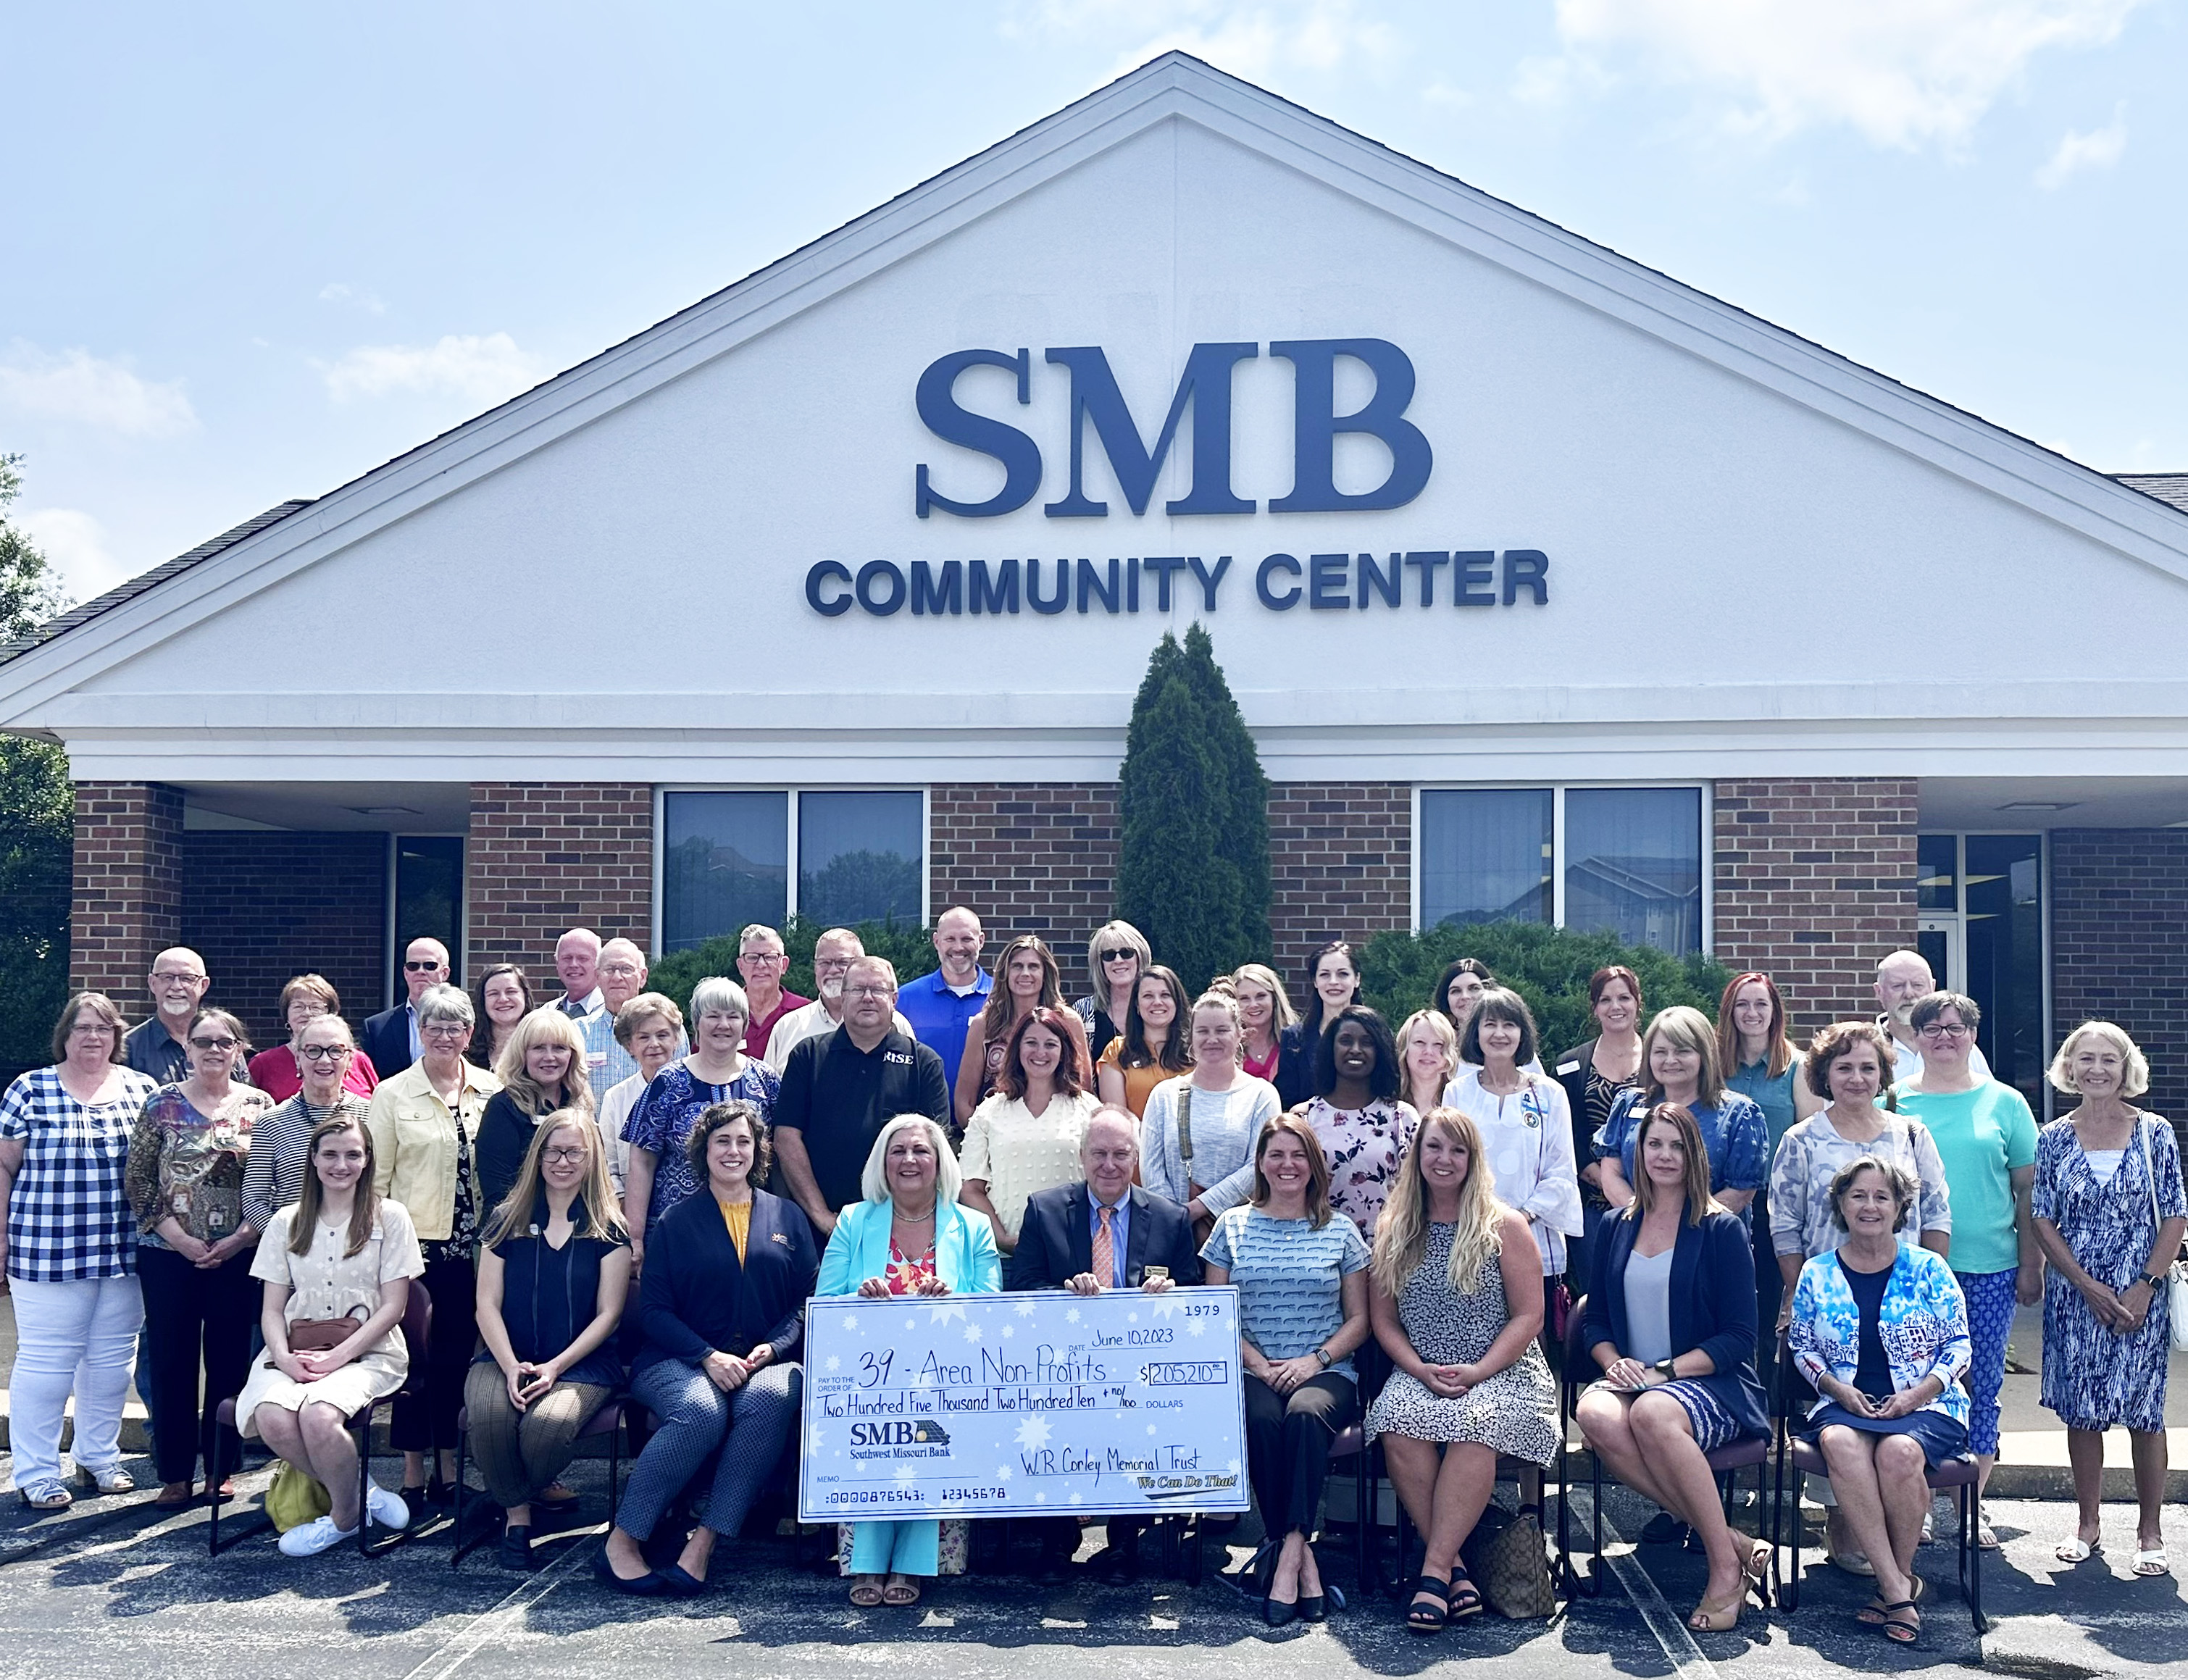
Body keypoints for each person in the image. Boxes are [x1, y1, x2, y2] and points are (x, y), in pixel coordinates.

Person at [598, 1100, 817, 1595]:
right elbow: (653, 1311)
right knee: (701, 1409)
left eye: (744, 1140)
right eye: (722, 1141)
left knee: (773, 1396)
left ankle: (704, 1542)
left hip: (769, 1360)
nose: (734, 1150)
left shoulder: (788, 1216)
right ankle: (623, 1539)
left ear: (758, 1149)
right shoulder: (676, 1220)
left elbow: (809, 1302)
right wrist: (706, 1356)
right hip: (677, 1358)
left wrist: (775, 1346)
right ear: (704, 1149)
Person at [1576, 1103, 1771, 1633]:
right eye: (1653, 1143)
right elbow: (1595, 1321)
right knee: (1593, 1412)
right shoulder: (1617, 1224)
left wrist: (1664, 1372)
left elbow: (1739, 1335)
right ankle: (1729, 1541)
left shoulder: (1719, 1227)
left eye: (1676, 1145)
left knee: (1653, 1414)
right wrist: (1614, 1364)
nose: (1664, 1155)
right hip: (1635, 1376)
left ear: (1694, 1154)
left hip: (1709, 1381)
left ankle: (1724, 1567)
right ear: (1638, 1151)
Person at [1366, 1108, 1558, 1632]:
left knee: (1475, 1424)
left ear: (1473, 1159)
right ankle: (1455, 1569)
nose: (1444, 1159)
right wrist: (1418, 1369)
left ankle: (1434, 1569)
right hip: (1422, 1368)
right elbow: (1383, 1321)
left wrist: (1477, 1370)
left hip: (1503, 1369)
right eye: (1434, 1147)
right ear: (1418, 1155)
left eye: (1457, 1150)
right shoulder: (1394, 1226)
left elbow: (1530, 1316)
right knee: (1395, 1421)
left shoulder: (1505, 1224)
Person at [815, 1113, 1001, 1607]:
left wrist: (954, 1296)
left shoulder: (974, 1225)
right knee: (876, 1437)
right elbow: (824, 1301)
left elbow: (992, 1308)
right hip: (867, 1380)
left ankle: (915, 1563)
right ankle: (868, 1561)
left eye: (921, 1150)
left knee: (932, 1431)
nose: (909, 1160)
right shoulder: (854, 1221)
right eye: (898, 1151)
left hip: (950, 1381)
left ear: (940, 1161)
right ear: (882, 1161)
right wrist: (859, 1296)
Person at [1010, 1106, 1203, 1580]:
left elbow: (1197, 1296)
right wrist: (1064, 1294)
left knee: (1141, 1415)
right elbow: (1021, 1289)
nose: (1110, 1164)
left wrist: (1172, 1294)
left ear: (1136, 1157)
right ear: (1081, 1156)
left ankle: (1123, 1543)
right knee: (1049, 1415)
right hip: (1060, 1367)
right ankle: (1058, 1542)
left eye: (1121, 1153)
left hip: (1141, 1369)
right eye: (1099, 1153)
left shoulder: (1170, 1218)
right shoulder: (1045, 1209)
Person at [1786, 1159, 1972, 1645]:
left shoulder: (1929, 1267)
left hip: (1928, 1403)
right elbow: (1801, 1346)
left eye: (1881, 1196)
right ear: (1841, 1206)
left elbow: (1959, 1344)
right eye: (1858, 1196)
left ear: (1899, 1207)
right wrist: (1835, 1386)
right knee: (1838, 1442)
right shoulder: (1816, 1272)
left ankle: (1897, 1579)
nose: (1870, 1206)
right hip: (1844, 1399)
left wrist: (1917, 1393)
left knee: (1899, 1452)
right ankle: (1898, 1588)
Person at [1200, 1114, 1371, 1628]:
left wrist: (1311, 1361)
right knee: (1263, 1419)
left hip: (1326, 1371)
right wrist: (1257, 1362)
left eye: (1298, 1155)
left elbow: (1361, 1318)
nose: (1287, 1164)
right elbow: (1215, 1311)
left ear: (1314, 1165)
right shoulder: (1230, 1226)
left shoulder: (1340, 1230)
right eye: (1276, 1154)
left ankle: (1287, 1554)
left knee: (1301, 1414)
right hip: (1251, 1370)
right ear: (1261, 1163)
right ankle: (1303, 1561)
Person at [2032, 1021, 2187, 1577]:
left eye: (2109, 1060)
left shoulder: (2155, 1132)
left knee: (2145, 1413)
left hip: (2139, 1293)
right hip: (2078, 1297)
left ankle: (2150, 1529)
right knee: (2084, 1412)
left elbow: (2176, 1213)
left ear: (2127, 1069)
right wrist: (2084, 1284)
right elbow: (2042, 1216)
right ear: (2069, 1067)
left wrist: (2144, 1284)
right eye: (2086, 1058)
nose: (2097, 1069)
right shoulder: (2052, 1137)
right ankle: (2088, 1524)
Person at [233, 1114, 422, 1556]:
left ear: (367, 1159)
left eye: (353, 1154)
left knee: (319, 1415)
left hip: (369, 1352)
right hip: (294, 1350)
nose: (342, 1165)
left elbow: (394, 1306)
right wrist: (281, 1357)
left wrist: (338, 1358)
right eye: (331, 1154)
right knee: (273, 1417)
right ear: (313, 1159)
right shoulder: (287, 1221)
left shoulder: (390, 1217)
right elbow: (273, 1308)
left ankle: (343, 1519)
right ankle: (363, 1494)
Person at [0, 994, 159, 1510]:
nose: (93, 1037)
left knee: (113, 1362)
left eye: (104, 1029)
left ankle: (99, 1457)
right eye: (82, 1027)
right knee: (48, 1363)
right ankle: (38, 1472)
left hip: (124, 1252)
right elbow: (4, 1167)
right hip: (48, 1252)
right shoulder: (31, 1089)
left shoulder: (143, 1089)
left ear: (118, 1037)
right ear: (64, 1034)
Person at [1892, 990, 2039, 1542]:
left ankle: (1971, 1501)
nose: (1945, 1036)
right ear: (1917, 1036)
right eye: (1933, 1027)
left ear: (1973, 1036)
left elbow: (2027, 1190)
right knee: (1918, 1377)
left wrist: (2032, 1263)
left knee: (1981, 1381)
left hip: (1988, 1266)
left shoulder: (2005, 1103)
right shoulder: (1895, 1099)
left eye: (1957, 1027)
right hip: (1913, 1268)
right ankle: (1920, 1498)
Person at [468, 1113, 632, 1571]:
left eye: (574, 1152)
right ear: (537, 1155)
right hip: (504, 1356)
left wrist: (556, 1366)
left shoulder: (608, 1227)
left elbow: (610, 1314)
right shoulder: (506, 1219)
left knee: (546, 1426)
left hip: (581, 1366)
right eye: (553, 1151)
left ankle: (501, 1499)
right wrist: (508, 1364)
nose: (563, 1161)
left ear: (591, 1157)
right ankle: (518, 1516)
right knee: (489, 1416)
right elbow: (486, 1305)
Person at [124, 1007, 274, 1506]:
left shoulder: (260, 1105)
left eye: (223, 1041)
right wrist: (181, 1239)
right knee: (171, 1360)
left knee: (231, 1359)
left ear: (238, 1050)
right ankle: (175, 1472)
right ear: (186, 1048)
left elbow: (272, 1180)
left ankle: (221, 1468)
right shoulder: (159, 1104)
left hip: (238, 1252)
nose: (213, 1049)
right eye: (203, 1041)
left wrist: (239, 1239)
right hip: (168, 1253)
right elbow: (139, 1179)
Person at [364, 982, 501, 1516]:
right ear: (419, 1032)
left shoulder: (491, 1088)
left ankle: (449, 1470)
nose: (444, 1036)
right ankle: (415, 1473)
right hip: (418, 1251)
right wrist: (379, 1252)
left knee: (455, 1362)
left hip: (477, 1250)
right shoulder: (392, 1093)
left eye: (456, 1026)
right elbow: (375, 1182)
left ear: (470, 1033)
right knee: (414, 1363)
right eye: (434, 1026)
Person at [1771, 1021, 1952, 1316]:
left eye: (1868, 1068)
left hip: (1905, 1299)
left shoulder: (1912, 1135)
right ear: (1825, 1076)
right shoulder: (1800, 1140)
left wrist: (1928, 1287)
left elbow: (1936, 1215)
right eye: (1844, 1068)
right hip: (1827, 1302)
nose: (1857, 1078)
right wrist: (1803, 1293)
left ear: (1882, 1074)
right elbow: (1785, 1227)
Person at [774, 957, 951, 1236]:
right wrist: (821, 1215)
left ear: (894, 999)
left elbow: (934, 1149)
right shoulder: (808, 1056)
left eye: (878, 990)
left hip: (900, 1229)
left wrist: (904, 1221)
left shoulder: (923, 1063)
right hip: (819, 1226)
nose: (868, 998)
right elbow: (786, 1137)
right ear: (842, 998)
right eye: (857, 990)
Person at [621, 977, 777, 1255]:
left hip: (750, 1233)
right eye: (713, 1016)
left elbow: (781, 1156)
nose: (723, 1025)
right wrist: (635, 1239)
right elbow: (642, 1161)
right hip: (676, 1234)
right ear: (696, 1023)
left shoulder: (765, 1080)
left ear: (744, 1023)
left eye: (733, 1016)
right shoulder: (667, 1082)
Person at [1718, 972, 1824, 1374]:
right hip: (1721, 1199)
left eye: (1761, 1004)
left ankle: (1765, 1391)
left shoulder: (1796, 1067)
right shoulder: (1714, 1065)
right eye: (1743, 1004)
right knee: (1726, 1298)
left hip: (1773, 1204)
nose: (1752, 1013)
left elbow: (1808, 1138)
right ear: (1730, 1012)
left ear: (1775, 1012)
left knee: (1766, 1300)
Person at [1440, 987, 1583, 1281]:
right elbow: (1449, 1166)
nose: (1499, 1033)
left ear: (1522, 1033)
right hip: (1471, 1239)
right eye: (1490, 1024)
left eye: (1509, 1024)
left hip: (1534, 1238)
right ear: (1475, 1033)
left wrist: (1522, 1217)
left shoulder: (1549, 1093)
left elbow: (1562, 1170)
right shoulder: (1457, 1092)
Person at [1596, 1006, 1767, 1222]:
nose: (1670, 1060)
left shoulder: (1739, 1115)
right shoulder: (1628, 1105)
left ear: (1704, 1055)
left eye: (1682, 1051)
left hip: (1709, 1240)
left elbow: (1741, 1190)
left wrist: (1683, 1225)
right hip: (1640, 1236)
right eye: (1660, 1052)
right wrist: (1645, 1219)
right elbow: (1611, 1174)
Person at [1140, 989, 1282, 1234]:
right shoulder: (1164, 1095)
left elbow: (1257, 1166)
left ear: (1240, 1034)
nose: (1212, 1039)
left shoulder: (1262, 1095)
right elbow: (1151, 1168)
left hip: (1242, 1232)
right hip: (1174, 1233)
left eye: (1222, 1031)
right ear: (1191, 1037)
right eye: (1203, 1031)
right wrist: (1174, 1216)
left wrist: (1198, 1208)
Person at [959, 1007, 1102, 1253]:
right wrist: (1002, 1239)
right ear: (1017, 1049)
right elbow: (971, 1188)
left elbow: (1105, 1179)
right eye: (1031, 1043)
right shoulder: (989, 1111)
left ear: (1064, 1051)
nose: (1040, 1053)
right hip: (1003, 1256)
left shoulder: (1089, 1109)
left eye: (1050, 1044)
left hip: (1074, 1252)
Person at [1552, 966, 1646, 1289]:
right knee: (1599, 1297)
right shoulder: (1570, 1064)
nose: (1615, 1006)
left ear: (1637, 1003)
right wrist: (1601, 1179)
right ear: (1594, 1008)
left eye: (1624, 997)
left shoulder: (1659, 1060)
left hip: (1651, 1201)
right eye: (1605, 1000)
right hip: (1591, 1205)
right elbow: (1564, 1131)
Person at [244, 1014, 375, 1234]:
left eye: (335, 1051)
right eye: (313, 1050)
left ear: (350, 1059)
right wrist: (292, 1241)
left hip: (359, 1247)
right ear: (298, 1058)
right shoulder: (271, 1121)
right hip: (292, 1250)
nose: (324, 1061)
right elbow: (254, 1199)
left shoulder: (374, 1114)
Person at [955, 935, 1092, 1127]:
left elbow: (1084, 1092)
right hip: (996, 1139)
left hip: (1057, 1135)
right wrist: (981, 1140)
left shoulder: (1068, 1022)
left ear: (1046, 973)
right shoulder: (985, 1025)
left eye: (1033, 967)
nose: (1025, 973)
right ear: (1005, 973)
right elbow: (964, 1101)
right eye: (1017, 966)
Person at [477, 1007, 596, 1211]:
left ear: (572, 1054)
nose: (549, 1057)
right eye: (539, 1048)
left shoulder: (581, 1102)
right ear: (522, 1054)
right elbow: (498, 1193)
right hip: (520, 1230)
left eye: (559, 1048)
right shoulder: (503, 1108)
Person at [763, 927, 913, 1071]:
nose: (833, 970)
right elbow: (768, 1093)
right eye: (825, 963)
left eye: (843, 962)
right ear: (815, 968)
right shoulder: (787, 1027)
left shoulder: (895, 1024)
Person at [596, 992, 685, 1196]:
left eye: (662, 1035)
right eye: (643, 1037)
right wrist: (623, 1205)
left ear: (676, 1039)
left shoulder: (695, 1090)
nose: (654, 1044)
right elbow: (608, 1167)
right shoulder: (616, 1098)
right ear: (630, 1046)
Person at [897, 906, 992, 1092]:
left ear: (981, 941)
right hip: (923, 1118)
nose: (958, 947)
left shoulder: (1003, 998)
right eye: (950, 939)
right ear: (937, 941)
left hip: (988, 1118)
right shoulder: (905, 999)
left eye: (967, 939)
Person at [248, 975, 380, 1103]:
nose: (307, 1013)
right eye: (298, 1006)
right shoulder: (263, 1064)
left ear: (331, 1014)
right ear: (286, 1014)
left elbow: (378, 1104)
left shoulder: (358, 1060)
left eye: (316, 1007)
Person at [1874, 950, 1989, 1085]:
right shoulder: (1868, 1049)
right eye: (1898, 986)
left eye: (1918, 985)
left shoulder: (1960, 1048)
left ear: (1932, 988)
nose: (1909, 994)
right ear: (1879, 992)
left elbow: (1988, 1098)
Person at [1095, 964, 1191, 1120]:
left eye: (1165, 995)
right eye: (1148, 996)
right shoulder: (1116, 1052)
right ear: (1137, 1006)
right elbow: (1119, 1122)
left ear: (1177, 1002)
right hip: (1139, 1143)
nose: (1157, 1002)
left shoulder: (1196, 1051)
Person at [1277, 941, 1362, 1110]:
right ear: (1315, 981)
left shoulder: (1376, 1035)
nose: (1333, 982)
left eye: (1343, 974)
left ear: (1357, 979)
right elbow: (1286, 1101)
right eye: (1324, 975)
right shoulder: (1294, 1038)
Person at [124, 946, 223, 1085]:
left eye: (187, 978)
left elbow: (247, 1100)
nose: (176, 986)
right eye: (167, 977)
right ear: (153, 983)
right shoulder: (128, 1048)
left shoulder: (225, 1043)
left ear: (204, 985)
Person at [1433, 958, 1545, 1076]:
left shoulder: (1513, 1046)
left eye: (1474, 988)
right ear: (1446, 1000)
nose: (1465, 996)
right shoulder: (1436, 1052)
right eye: (1455, 991)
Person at [361, 937, 452, 1077]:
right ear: (406, 973)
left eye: (429, 965)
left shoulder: (461, 1024)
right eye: (413, 966)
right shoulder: (376, 1028)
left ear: (444, 973)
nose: (420, 971)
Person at [581, 939, 659, 1095]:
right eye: (610, 969)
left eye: (626, 969)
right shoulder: (579, 1032)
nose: (617, 977)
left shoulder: (668, 1032)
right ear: (597, 977)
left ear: (642, 977)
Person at [1072, 919, 1150, 1068]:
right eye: (1109, 955)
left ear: (1140, 957)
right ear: (1099, 964)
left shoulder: (1156, 1006)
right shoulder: (1083, 1010)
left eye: (1126, 953)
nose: (1118, 960)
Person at [734, 923, 809, 1062]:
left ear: (784, 965)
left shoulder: (807, 1013)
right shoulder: (723, 1012)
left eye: (770, 957)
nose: (761, 965)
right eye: (752, 957)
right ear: (740, 966)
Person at [1232, 961, 1298, 1090]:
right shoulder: (1228, 1048)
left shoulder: (1295, 1043)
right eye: (1244, 998)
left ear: (1274, 999)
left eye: (1261, 996)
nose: (1253, 1005)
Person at [468, 963, 534, 1071]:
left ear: (525, 995)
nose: (503, 999)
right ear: (483, 1000)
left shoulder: (541, 1043)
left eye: (511, 992)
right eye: (493, 994)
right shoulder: (467, 1048)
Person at [1395, 1008, 1459, 1121]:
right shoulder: (1388, 1103)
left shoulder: (1460, 1100)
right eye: (1420, 1042)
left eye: (1438, 1044)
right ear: (1404, 1048)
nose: (1428, 1051)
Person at [548, 927, 605, 1021]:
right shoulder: (546, 1012)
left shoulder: (611, 1014)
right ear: (557, 962)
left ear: (598, 963)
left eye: (583, 958)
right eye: (567, 958)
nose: (573, 965)